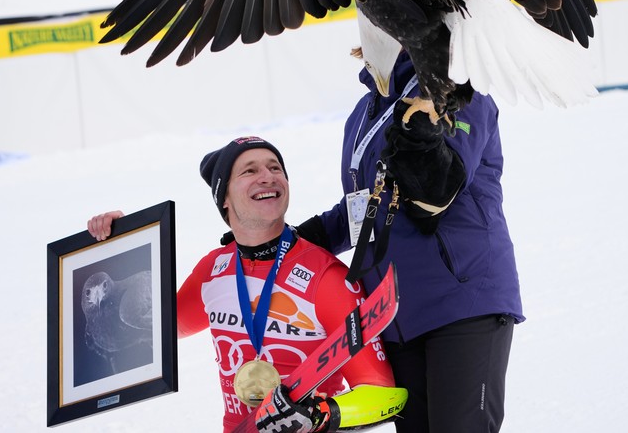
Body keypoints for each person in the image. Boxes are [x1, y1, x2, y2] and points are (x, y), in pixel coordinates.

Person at [87, 136, 407, 433]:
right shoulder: (213, 269)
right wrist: (116, 246)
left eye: (275, 168)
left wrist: (322, 413)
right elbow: (153, 328)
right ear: (224, 198)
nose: (267, 176)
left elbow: (385, 396)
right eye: (249, 171)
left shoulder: (326, 277)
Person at [295, 50, 523, 433]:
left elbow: (438, 191)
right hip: (395, 315)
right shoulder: (362, 114)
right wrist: (290, 244)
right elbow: (364, 207)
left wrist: (422, 132)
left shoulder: (456, 88)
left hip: (462, 301)